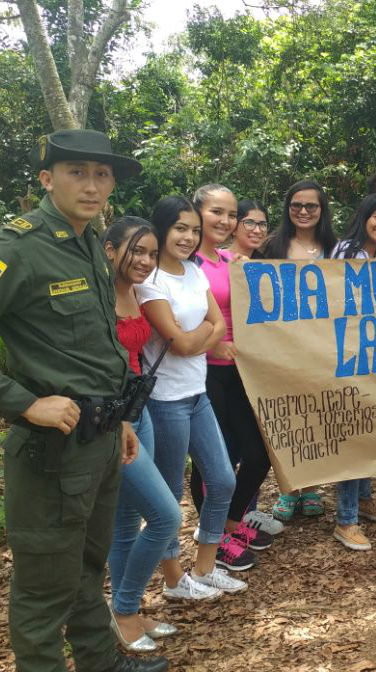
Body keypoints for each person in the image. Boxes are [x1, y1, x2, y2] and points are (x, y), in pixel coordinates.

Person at [0, 129, 166, 671]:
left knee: (88, 567)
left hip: (99, 440)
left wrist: (118, 417)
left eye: (102, 174)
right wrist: (23, 403)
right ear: (47, 179)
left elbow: (96, 347)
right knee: (45, 589)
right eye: (77, 172)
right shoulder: (19, 248)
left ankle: (100, 661)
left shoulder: (91, 242)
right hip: (51, 451)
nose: (91, 185)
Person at [138, 197, 251, 591]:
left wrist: (198, 335)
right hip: (165, 402)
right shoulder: (150, 281)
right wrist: (202, 335)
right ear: (162, 230)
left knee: (222, 480)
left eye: (192, 230)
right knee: (169, 496)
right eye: (179, 229)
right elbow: (183, 343)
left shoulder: (193, 271)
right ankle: (173, 579)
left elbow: (214, 326)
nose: (187, 237)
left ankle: (204, 567)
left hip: (196, 393)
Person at [105, 217, 185, 652]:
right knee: (166, 516)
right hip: (113, 422)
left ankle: (127, 613)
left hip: (140, 412)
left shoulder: (137, 291)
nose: (145, 260)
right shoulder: (98, 297)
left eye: (151, 253)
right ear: (110, 249)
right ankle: (123, 609)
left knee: (124, 523)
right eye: (136, 250)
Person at [188, 184, 277, 546]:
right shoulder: (185, 264)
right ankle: (213, 534)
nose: (224, 221)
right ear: (197, 215)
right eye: (216, 213)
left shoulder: (230, 261)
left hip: (239, 371)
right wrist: (215, 342)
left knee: (258, 455)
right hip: (203, 371)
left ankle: (229, 522)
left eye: (230, 215)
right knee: (214, 461)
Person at [261, 180, 337, 521]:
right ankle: (288, 488)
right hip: (283, 348)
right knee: (288, 418)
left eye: (311, 206)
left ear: (322, 210)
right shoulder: (270, 246)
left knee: (319, 417)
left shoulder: (335, 248)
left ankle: (312, 487)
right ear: (287, 208)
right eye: (296, 205)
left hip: (325, 346)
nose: (303, 212)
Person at [330, 194, 376, 550]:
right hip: (350, 352)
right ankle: (345, 519)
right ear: (363, 217)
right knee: (352, 434)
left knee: (370, 426)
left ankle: (364, 498)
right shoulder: (345, 250)